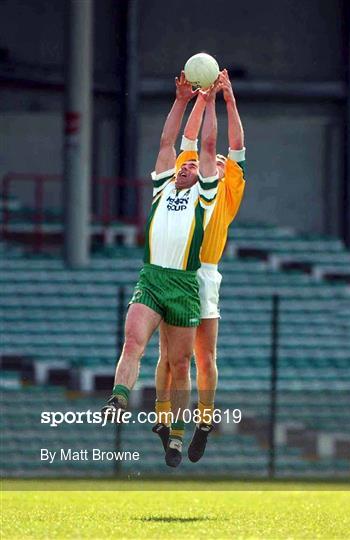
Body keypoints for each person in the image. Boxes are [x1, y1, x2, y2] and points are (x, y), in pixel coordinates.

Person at [101, 72, 220, 468]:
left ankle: (176, 435)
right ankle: (119, 395)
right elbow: (168, 142)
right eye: (181, 167)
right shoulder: (164, 186)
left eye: (190, 167)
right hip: (152, 278)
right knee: (133, 341)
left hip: (184, 285)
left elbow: (205, 144)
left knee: (179, 364)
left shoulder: (203, 195)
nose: (183, 168)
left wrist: (212, 100)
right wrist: (182, 99)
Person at [153, 70, 246, 463]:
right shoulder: (191, 178)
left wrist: (228, 100)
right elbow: (189, 141)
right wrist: (199, 99)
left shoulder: (227, 185)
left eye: (223, 160)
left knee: (204, 356)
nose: (217, 159)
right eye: (215, 157)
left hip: (204, 273)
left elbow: (234, 145)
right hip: (175, 268)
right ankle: (163, 419)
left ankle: (203, 422)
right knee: (169, 356)